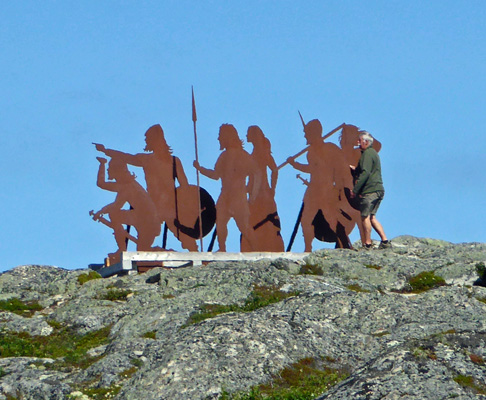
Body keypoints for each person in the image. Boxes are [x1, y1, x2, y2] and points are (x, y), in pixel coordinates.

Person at [95, 124, 198, 251]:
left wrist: (187, 206)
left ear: (156, 139)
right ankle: (131, 249)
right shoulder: (146, 159)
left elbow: (184, 186)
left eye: (148, 138)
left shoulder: (174, 161)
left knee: (183, 236)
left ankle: (196, 254)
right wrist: (106, 151)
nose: (145, 141)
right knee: (143, 248)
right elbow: (127, 157)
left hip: (170, 206)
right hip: (152, 206)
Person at [286, 119, 355, 251]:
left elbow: (339, 168)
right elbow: (312, 169)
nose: (305, 136)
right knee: (306, 220)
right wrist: (295, 164)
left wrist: (342, 188)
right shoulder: (310, 152)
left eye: (306, 133)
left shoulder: (329, 148)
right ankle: (307, 249)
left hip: (326, 191)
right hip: (313, 192)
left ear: (314, 133)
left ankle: (344, 243)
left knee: (331, 219)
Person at [194, 124, 255, 252]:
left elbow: (254, 172)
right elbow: (216, 175)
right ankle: (222, 248)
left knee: (244, 226)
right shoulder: (224, 156)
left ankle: (256, 248)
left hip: (238, 197)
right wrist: (200, 169)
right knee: (220, 222)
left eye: (220, 136)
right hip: (225, 196)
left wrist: (250, 189)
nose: (218, 139)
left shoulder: (243, 155)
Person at [91, 157, 161, 264]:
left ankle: (122, 249)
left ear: (117, 171)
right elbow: (101, 184)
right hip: (142, 219)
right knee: (143, 252)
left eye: (110, 168)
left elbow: (116, 206)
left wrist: (101, 211)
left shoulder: (128, 186)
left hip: (147, 222)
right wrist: (102, 164)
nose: (108, 171)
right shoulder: (124, 185)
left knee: (143, 253)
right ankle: (122, 248)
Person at [243, 125, 284, 252]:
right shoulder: (255, 152)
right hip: (256, 192)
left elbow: (274, 170)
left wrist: (272, 189)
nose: (246, 136)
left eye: (248, 133)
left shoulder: (261, 152)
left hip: (261, 193)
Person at [350, 131, 390, 249]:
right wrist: (355, 169)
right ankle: (385, 240)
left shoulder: (367, 154)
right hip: (379, 190)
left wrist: (355, 190)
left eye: (360, 140)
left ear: (366, 142)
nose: (358, 142)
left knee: (365, 216)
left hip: (370, 190)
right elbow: (364, 169)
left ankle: (367, 243)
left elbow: (366, 172)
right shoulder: (372, 154)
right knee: (372, 216)